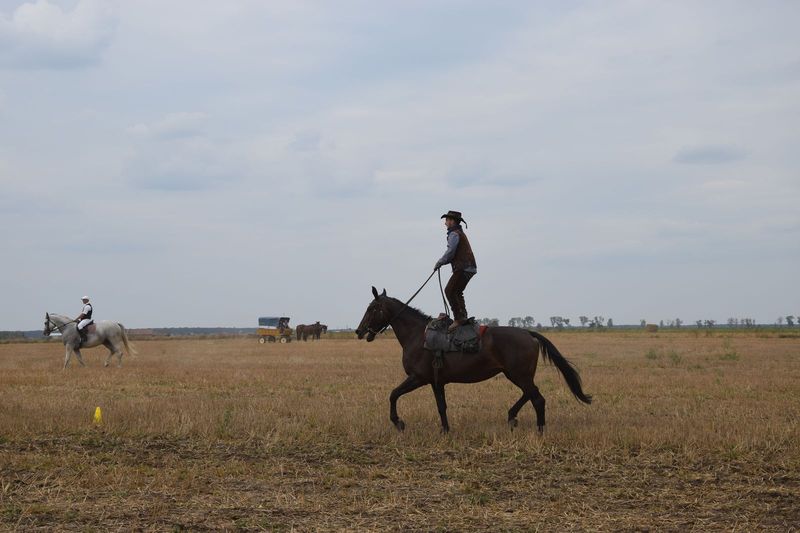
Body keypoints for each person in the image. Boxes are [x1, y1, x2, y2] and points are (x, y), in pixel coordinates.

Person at [434, 210, 477, 332]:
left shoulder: (454, 234)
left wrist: (440, 262)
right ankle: (462, 316)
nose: (445, 223)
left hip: (463, 267)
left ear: (452, 221)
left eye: (446, 220)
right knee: (457, 291)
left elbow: (451, 252)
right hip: (469, 267)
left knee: (449, 290)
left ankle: (459, 319)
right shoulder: (458, 233)